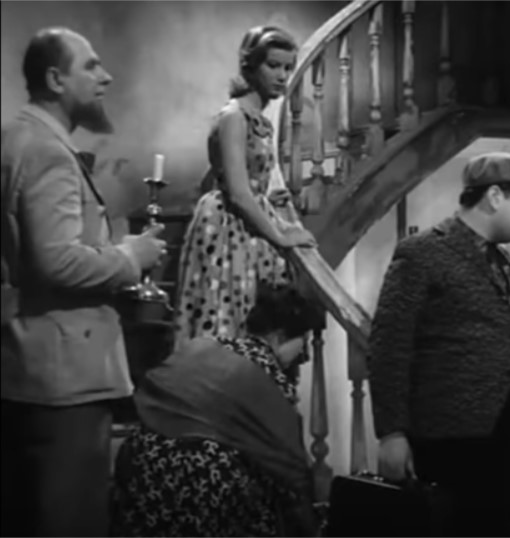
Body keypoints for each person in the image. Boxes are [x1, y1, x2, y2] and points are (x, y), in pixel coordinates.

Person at [0, 27, 166, 536]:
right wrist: (130, 257)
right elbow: (56, 260)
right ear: (55, 79)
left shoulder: (16, 139)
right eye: (90, 66)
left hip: (29, 369)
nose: (105, 76)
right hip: (63, 380)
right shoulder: (45, 150)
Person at [369, 152, 510, 537]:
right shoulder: (423, 252)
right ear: (494, 196)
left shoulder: (506, 261)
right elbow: (389, 346)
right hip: (449, 439)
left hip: (504, 432)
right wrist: (391, 433)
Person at [111, 283, 320, 537]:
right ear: (279, 337)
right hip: (205, 483)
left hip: (142, 465)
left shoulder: (205, 345)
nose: (303, 353)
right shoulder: (270, 377)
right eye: (302, 341)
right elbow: (285, 464)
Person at [174, 25, 316, 348]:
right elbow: (238, 193)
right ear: (251, 66)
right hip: (227, 226)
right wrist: (281, 236)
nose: (282, 76)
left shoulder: (260, 120)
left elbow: (249, 184)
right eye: (273, 65)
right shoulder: (234, 116)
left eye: (287, 67)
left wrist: (268, 200)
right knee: (227, 319)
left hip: (249, 227)